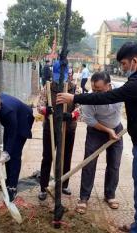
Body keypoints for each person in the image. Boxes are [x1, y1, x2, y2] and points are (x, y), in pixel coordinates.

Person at [57, 42, 137, 233]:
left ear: (134, 61)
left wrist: (74, 98)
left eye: (124, 64)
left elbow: (107, 97)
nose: (122, 68)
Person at [75, 72, 124, 214]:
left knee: (114, 163)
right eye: (93, 90)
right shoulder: (89, 99)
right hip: (96, 131)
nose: (95, 94)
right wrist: (107, 130)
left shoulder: (121, 89)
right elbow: (89, 120)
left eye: (99, 90)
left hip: (116, 129)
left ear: (109, 86)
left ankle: (110, 195)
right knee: (89, 163)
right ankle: (84, 197)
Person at [37, 60, 80, 201]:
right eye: (57, 76)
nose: (59, 79)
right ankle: (43, 187)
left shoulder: (74, 88)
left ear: (68, 74)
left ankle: (64, 184)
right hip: (50, 128)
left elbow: (81, 107)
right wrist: (45, 110)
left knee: (66, 156)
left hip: (68, 128)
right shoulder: (47, 87)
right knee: (47, 157)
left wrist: (72, 115)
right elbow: (39, 105)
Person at [0, 91, 34, 202]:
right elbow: (9, 130)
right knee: (7, 152)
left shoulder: (8, 111)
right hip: (12, 121)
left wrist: (7, 152)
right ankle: (8, 181)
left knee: (14, 155)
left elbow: (13, 134)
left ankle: (12, 187)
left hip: (23, 121)